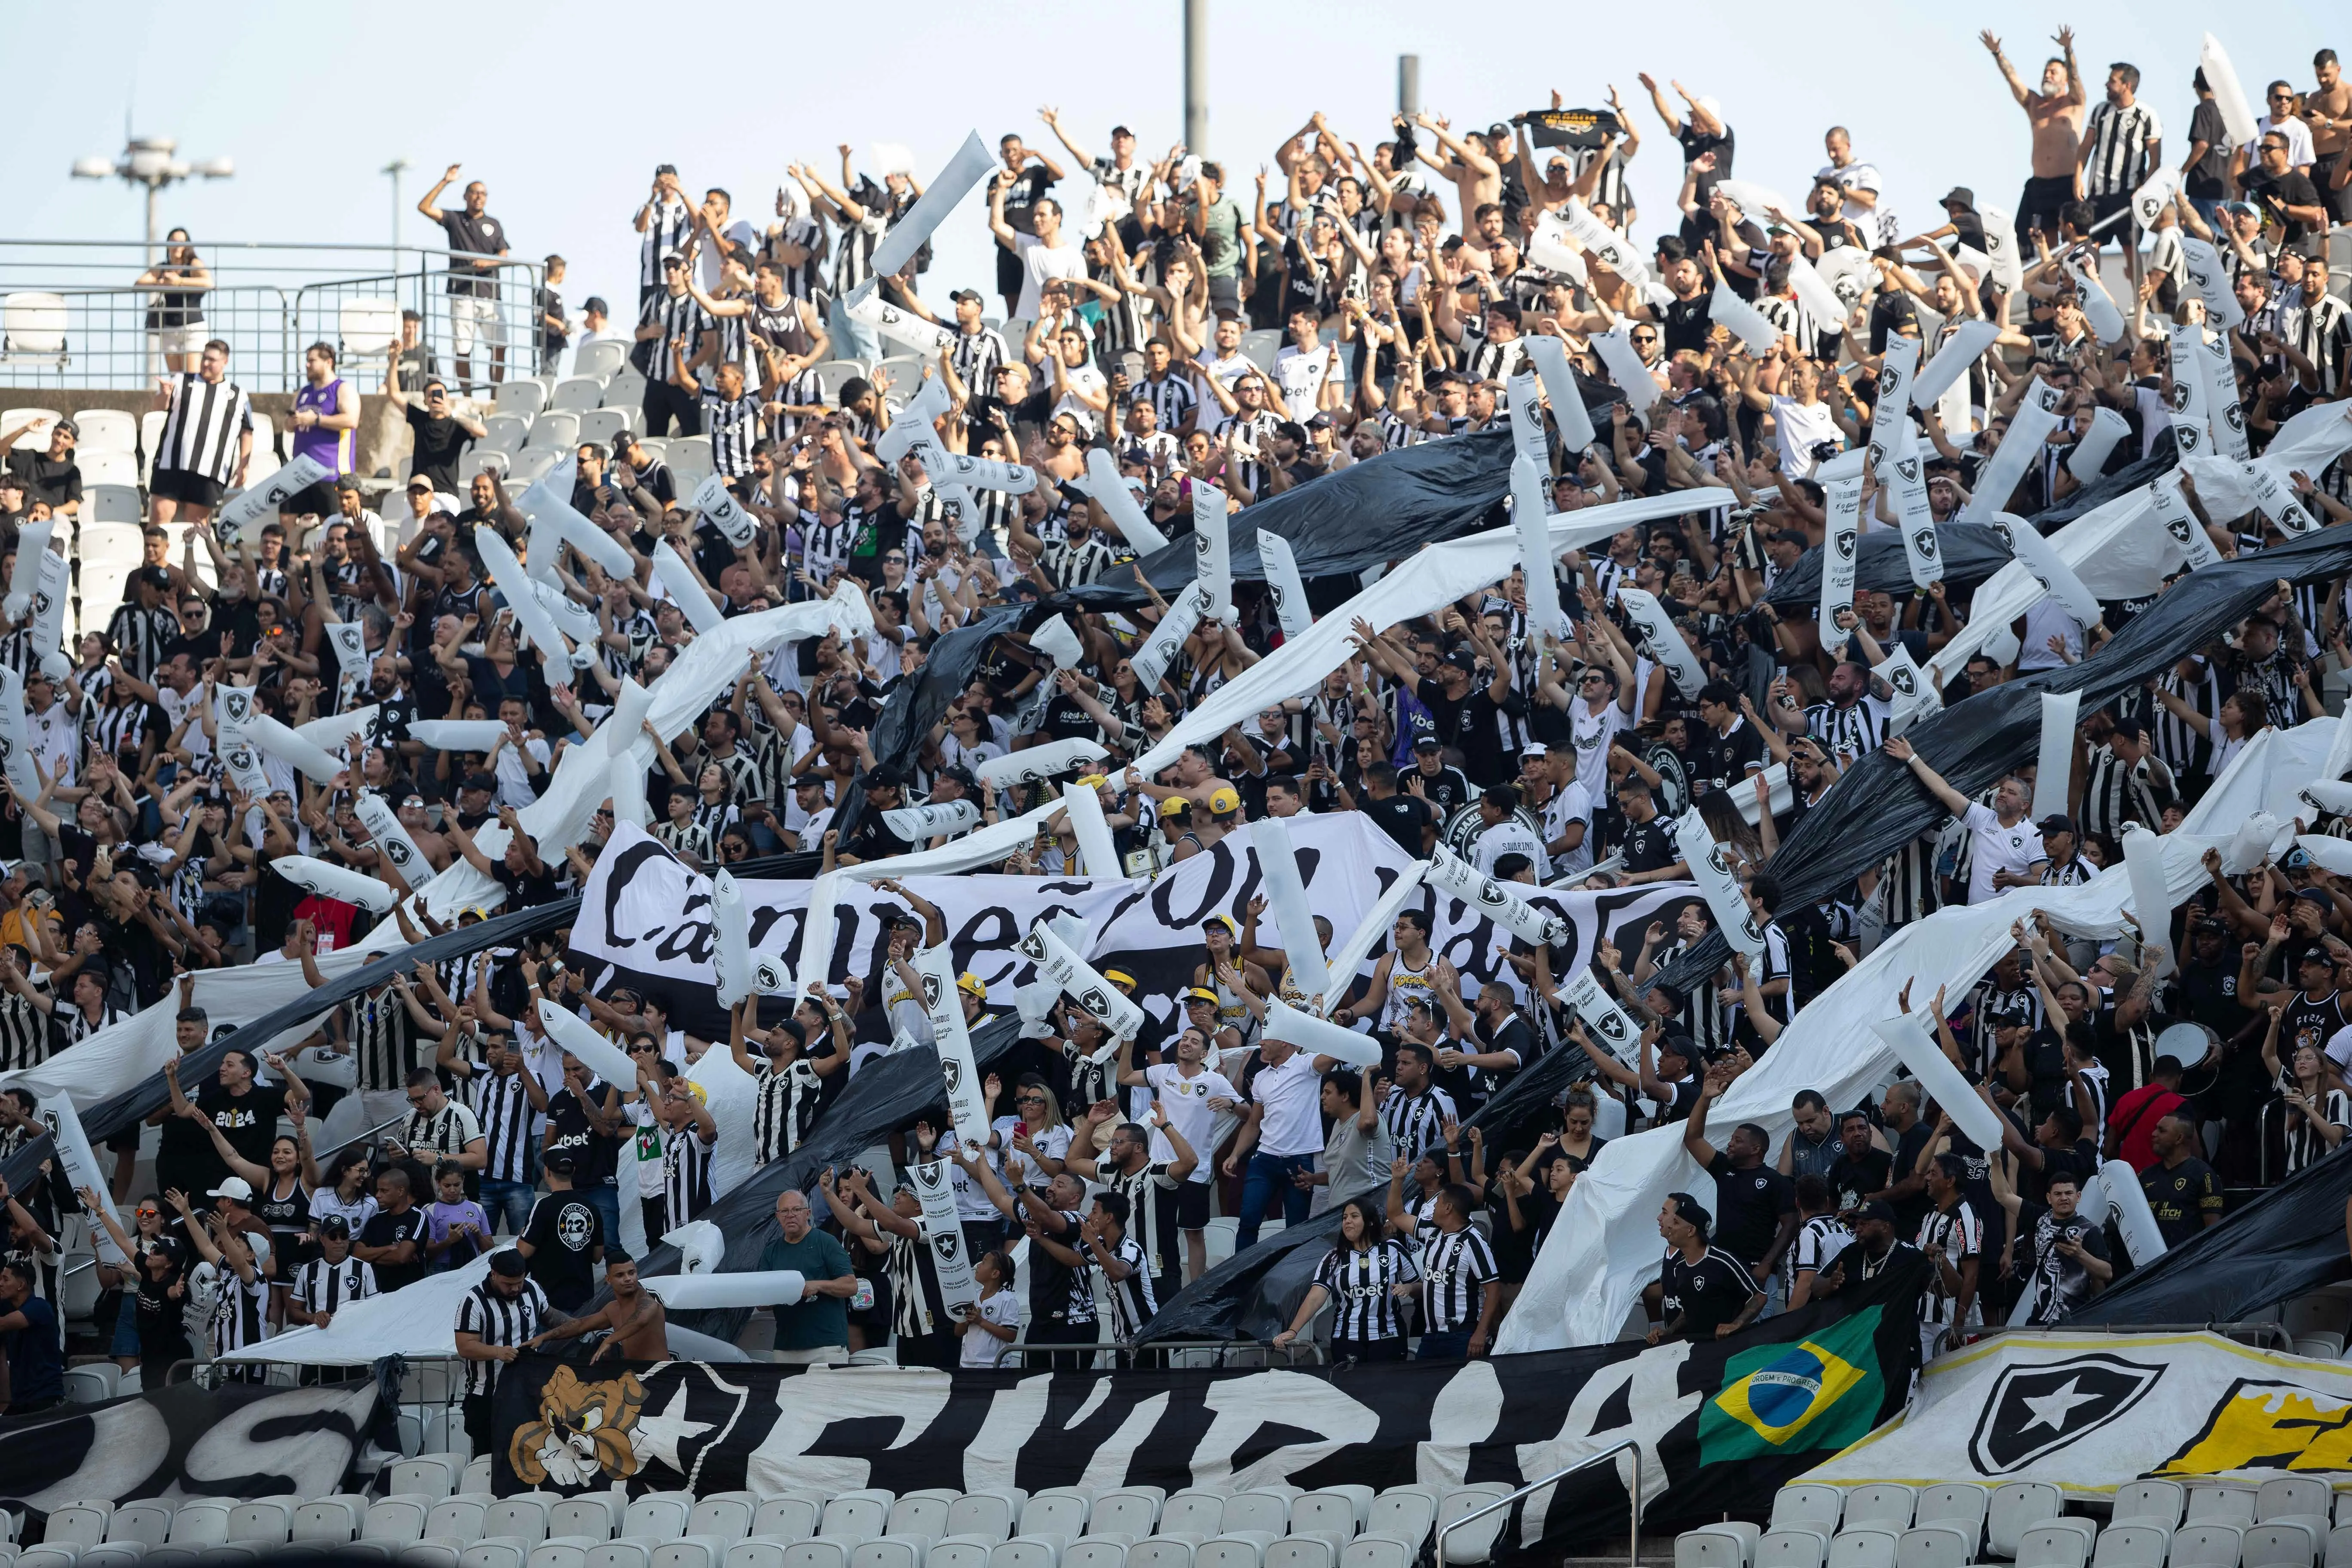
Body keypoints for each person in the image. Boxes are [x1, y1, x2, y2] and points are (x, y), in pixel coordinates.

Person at [1272, 1196, 1418, 1362]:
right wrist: (1293, 1331)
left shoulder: (1393, 1249)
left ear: (1370, 1222)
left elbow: (1420, 1288)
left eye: (1354, 1216)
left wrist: (1410, 1288)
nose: (1348, 1221)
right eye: (1345, 1218)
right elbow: (1315, 1298)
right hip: (1347, 1338)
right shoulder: (1334, 1257)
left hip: (1389, 1336)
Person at [1385, 1161, 1500, 1360]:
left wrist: (1481, 1333)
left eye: (1437, 1203)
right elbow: (1395, 1215)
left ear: (1448, 1208)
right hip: (1431, 1335)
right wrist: (1397, 1181)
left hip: (1461, 1336)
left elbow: (1494, 1289)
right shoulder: (1432, 1232)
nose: (1433, 1207)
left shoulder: (1473, 1242)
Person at [1983, 26, 2089, 242]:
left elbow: (2076, 77)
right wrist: (1997, 53)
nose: (2047, 76)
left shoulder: (2074, 101)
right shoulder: (2034, 103)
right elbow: (2013, 79)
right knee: (2045, 240)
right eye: (2045, 72)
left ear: (2065, 80)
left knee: (2071, 236)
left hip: (2067, 181)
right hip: (2041, 184)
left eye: (2053, 72)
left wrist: (2068, 50)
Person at [417, 163, 512, 388]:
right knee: (463, 348)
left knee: (500, 346)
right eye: (475, 193)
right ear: (466, 196)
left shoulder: (494, 224)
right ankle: (467, 395)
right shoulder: (455, 219)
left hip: (490, 294)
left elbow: (504, 255)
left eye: (483, 194)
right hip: (462, 293)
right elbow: (424, 207)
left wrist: (487, 263)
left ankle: (495, 394)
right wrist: (445, 181)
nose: (479, 197)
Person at [149, 339, 253, 535]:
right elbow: (158, 407)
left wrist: (243, 465)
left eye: (211, 360)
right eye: (204, 358)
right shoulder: (181, 380)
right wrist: (164, 394)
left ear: (225, 362)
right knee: (160, 519)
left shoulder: (238, 395)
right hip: (172, 465)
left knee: (195, 527)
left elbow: (247, 431)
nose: (205, 363)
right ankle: (151, 556)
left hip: (209, 471)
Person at [453, 1249, 548, 1452]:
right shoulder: (474, 1300)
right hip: (487, 1397)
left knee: (528, 1455)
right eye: (508, 1284)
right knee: (489, 1457)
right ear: (493, 1274)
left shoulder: (533, 1289)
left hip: (526, 1393)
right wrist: (498, 1352)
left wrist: (579, 1325)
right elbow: (465, 1346)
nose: (515, 1289)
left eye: (519, 1282)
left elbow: (551, 1317)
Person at [1646, 1191, 1764, 1344]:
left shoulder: (1722, 1260)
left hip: (1726, 1348)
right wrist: (1667, 1332)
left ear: (1691, 1231)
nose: (1670, 1227)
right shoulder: (1681, 1267)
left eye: (1676, 1223)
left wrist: (1736, 1325)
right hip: (1695, 1348)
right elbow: (1687, 1311)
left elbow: (1759, 1296)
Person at [760, 1188, 858, 1369]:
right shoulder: (771, 1252)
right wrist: (781, 1293)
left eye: (796, 1210)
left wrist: (817, 1285)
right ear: (778, 1217)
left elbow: (851, 1285)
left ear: (808, 1213)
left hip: (826, 1346)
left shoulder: (826, 1242)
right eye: (784, 1211)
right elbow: (761, 1303)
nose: (790, 1215)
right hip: (786, 1347)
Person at [526, 1254, 669, 1363]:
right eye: (620, 1275)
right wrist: (544, 1337)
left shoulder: (647, 1299)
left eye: (632, 1273)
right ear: (609, 1280)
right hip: (635, 1376)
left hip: (662, 1374)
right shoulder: (612, 1309)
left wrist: (609, 1340)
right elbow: (580, 1325)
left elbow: (641, 1319)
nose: (628, 1279)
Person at [514, 1152, 603, 1311]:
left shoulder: (542, 1206)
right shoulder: (591, 1207)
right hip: (584, 1298)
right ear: (573, 1171)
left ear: (547, 1172)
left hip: (550, 1301)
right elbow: (598, 1256)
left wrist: (523, 1234)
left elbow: (523, 1252)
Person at [0, 1257, 63, 1417]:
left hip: (44, 1399)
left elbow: (3, 1324)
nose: (0, 1284)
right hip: (20, 1401)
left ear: (21, 1285)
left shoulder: (39, 1307)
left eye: (5, 1280)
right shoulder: (10, 1310)